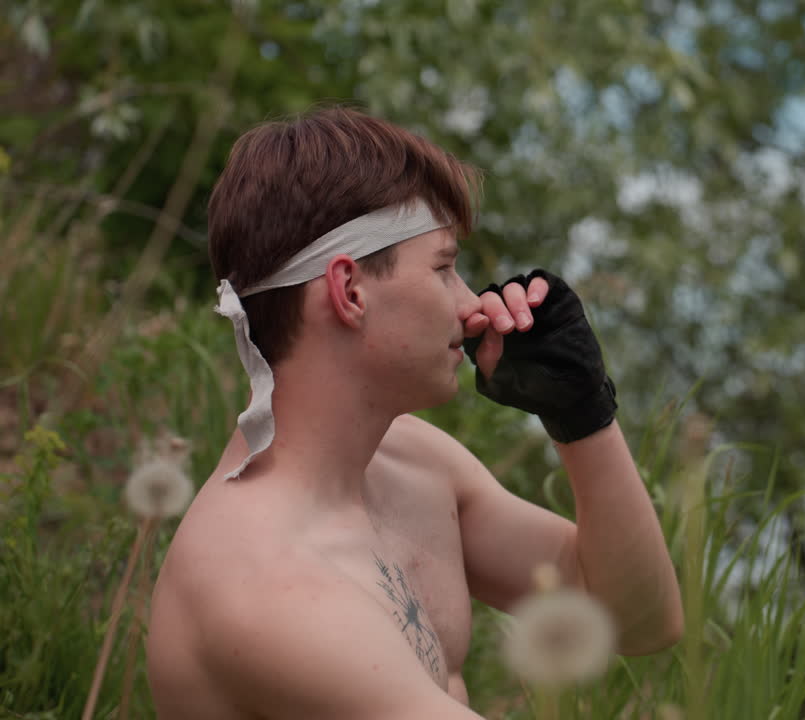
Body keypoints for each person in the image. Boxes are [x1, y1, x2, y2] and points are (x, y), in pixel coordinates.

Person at [146, 107, 683, 719]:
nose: (472, 304)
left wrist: (583, 414)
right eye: (444, 268)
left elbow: (635, 621)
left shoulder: (412, 461)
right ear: (350, 291)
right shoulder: (263, 582)